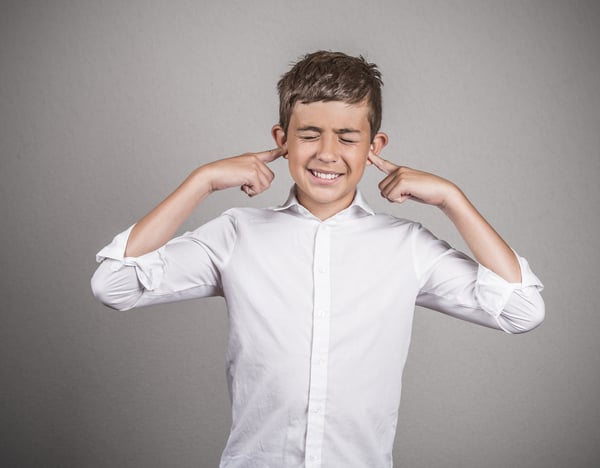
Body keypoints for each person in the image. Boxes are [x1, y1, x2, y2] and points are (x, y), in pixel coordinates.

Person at [91, 51, 544, 468]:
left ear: (375, 146)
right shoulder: (237, 234)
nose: (327, 153)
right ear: (282, 139)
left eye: (347, 137)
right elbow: (114, 285)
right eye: (309, 134)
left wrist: (452, 200)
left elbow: (522, 311)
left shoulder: (406, 245)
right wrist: (201, 181)